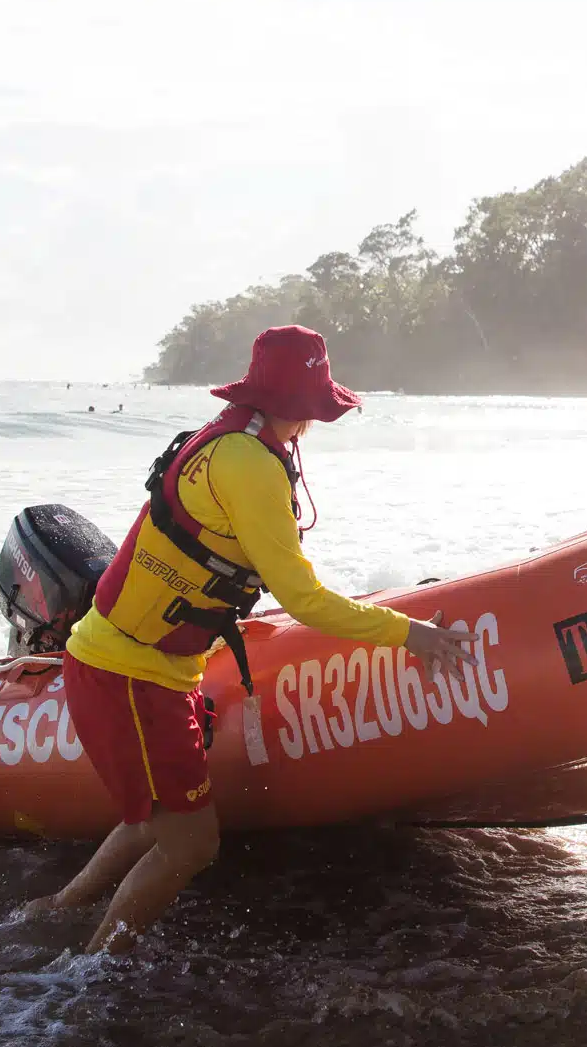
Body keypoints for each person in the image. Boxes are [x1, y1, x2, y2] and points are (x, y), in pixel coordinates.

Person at [23, 326, 473, 953]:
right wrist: (408, 634)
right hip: (128, 676)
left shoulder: (229, 437)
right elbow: (304, 599)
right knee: (191, 843)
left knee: (155, 816)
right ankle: (90, 972)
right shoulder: (251, 464)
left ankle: (58, 907)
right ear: (302, 405)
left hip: (147, 668)